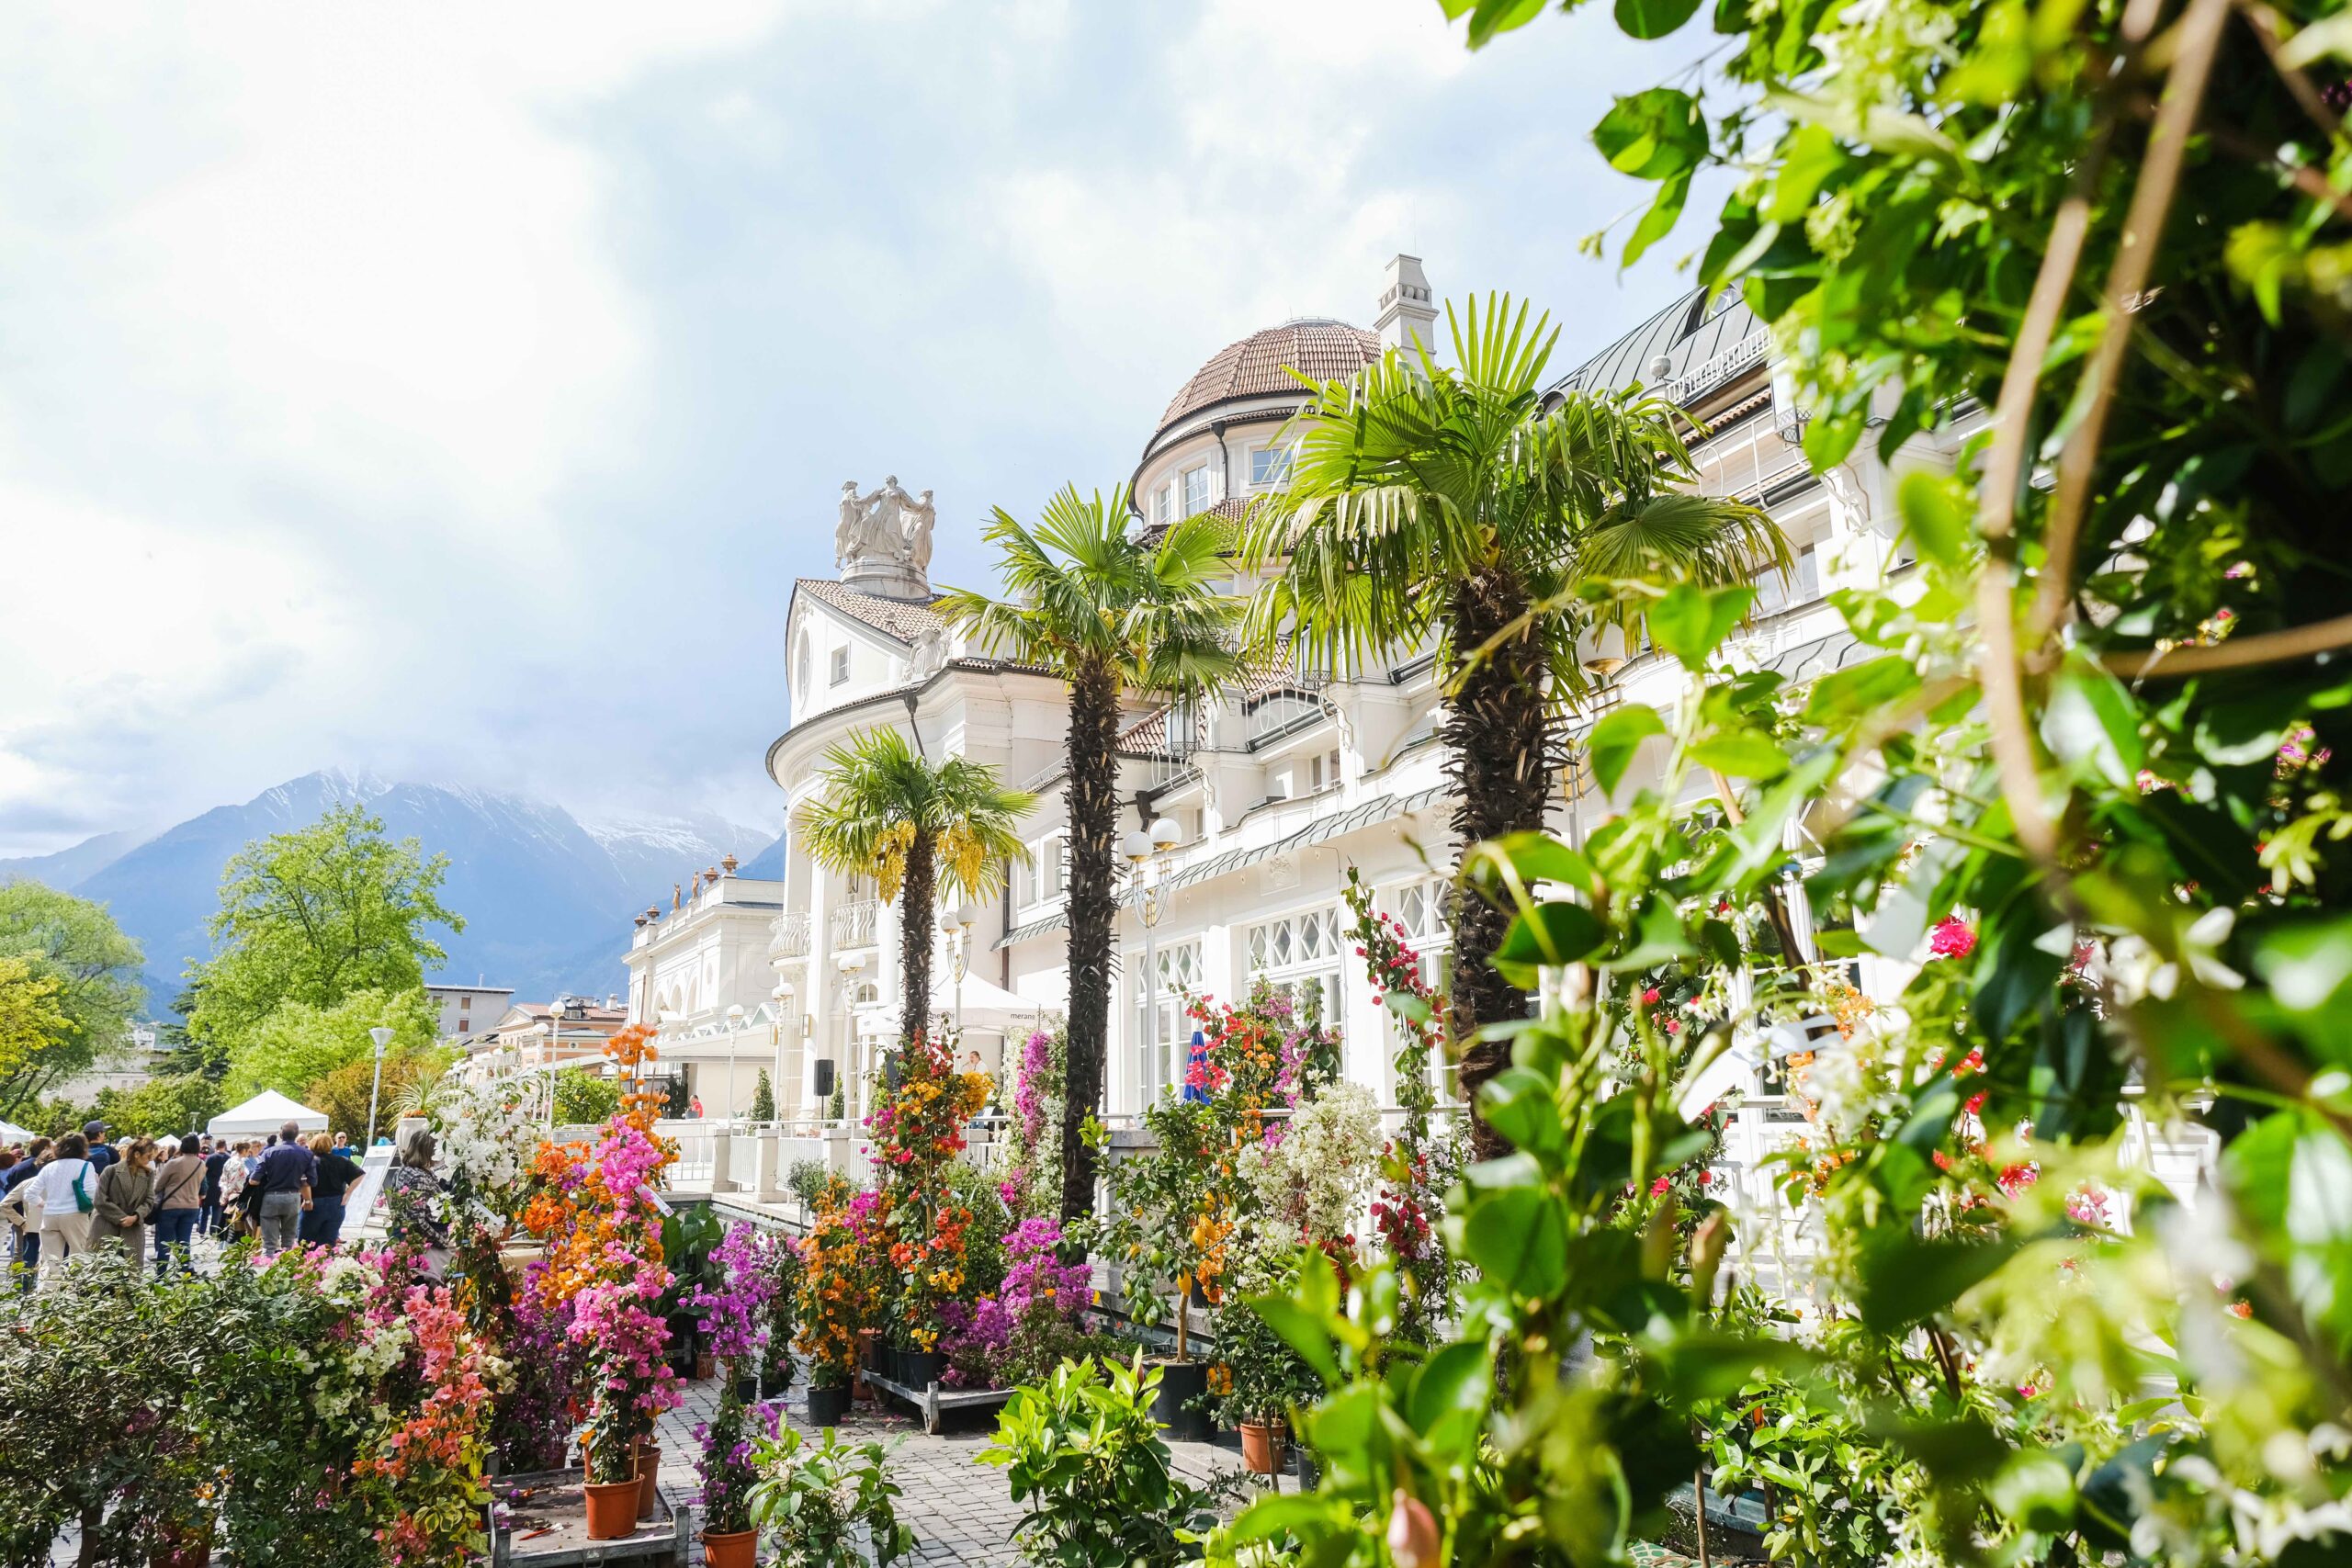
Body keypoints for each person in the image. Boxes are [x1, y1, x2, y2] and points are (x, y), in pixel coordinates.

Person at [32, 1133, 98, 1286]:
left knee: (50, 1262)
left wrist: (43, 1204)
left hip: (50, 1215)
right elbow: (91, 1192)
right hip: (75, 1215)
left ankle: (46, 1298)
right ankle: (75, 1296)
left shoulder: (50, 1167)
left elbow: (30, 1193)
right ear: (83, 1148)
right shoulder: (85, 1166)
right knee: (79, 1257)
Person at [250, 1122, 315, 1256]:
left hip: (271, 1197)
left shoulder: (268, 1153)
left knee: (269, 1244)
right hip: (293, 1197)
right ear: (297, 1135)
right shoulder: (306, 1154)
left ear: (281, 1135)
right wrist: (307, 1199)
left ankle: (267, 1268)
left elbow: (254, 1179)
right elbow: (312, 1181)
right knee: (289, 1241)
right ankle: (286, 1268)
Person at [381, 1126, 449, 1253]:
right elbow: (417, 1220)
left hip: (404, 1237)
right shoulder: (419, 1177)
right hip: (422, 1246)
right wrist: (442, 1241)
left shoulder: (403, 1170)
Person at [92, 1135, 157, 1263]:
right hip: (106, 1226)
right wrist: (121, 1218)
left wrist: (136, 1216)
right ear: (137, 1154)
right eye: (148, 1156)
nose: (149, 1161)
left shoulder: (149, 1174)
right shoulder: (111, 1170)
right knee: (103, 1271)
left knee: (131, 1272)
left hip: (133, 1227)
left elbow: (149, 1200)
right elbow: (99, 1200)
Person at [151, 1135, 206, 1275]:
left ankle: (161, 1272)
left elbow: (159, 1185)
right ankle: (185, 1269)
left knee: (165, 1241)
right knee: (184, 1240)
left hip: (171, 1205)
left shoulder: (174, 1163)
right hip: (192, 1206)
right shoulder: (201, 1164)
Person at [300, 1133, 361, 1247]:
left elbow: (304, 1181)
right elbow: (360, 1174)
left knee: (306, 1243)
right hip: (336, 1203)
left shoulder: (310, 1161)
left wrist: (307, 1200)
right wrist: (348, 1193)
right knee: (328, 1244)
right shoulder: (342, 1160)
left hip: (314, 1202)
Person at [197, 1139, 230, 1236]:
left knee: (205, 1210)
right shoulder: (229, 1157)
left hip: (209, 1185)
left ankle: (202, 1231)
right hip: (221, 1186)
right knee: (217, 1210)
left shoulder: (210, 1157)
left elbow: (204, 1171)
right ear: (225, 1146)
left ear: (216, 1146)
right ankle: (213, 1231)